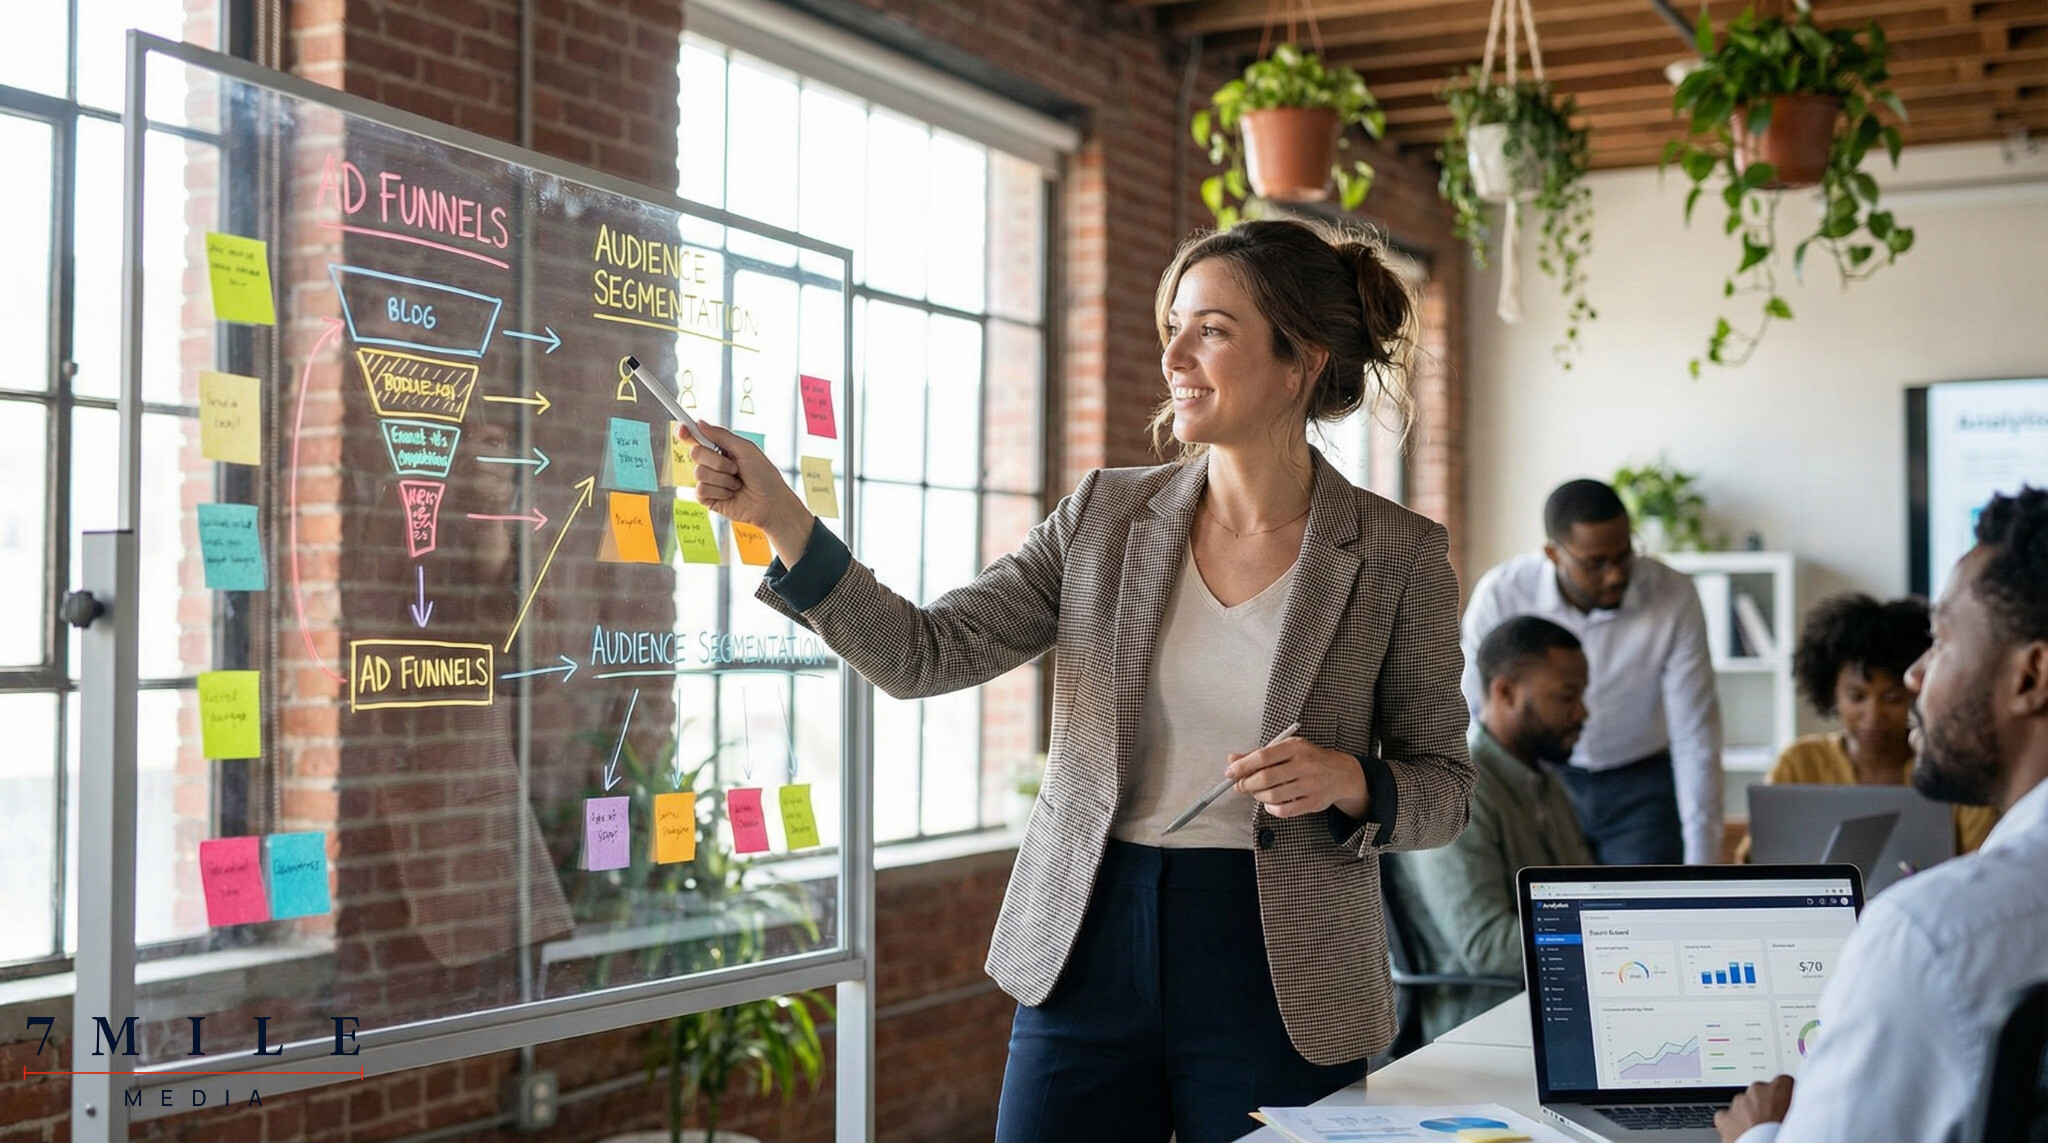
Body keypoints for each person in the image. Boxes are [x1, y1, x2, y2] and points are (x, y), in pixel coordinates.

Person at [687, 219, 1474, 1143]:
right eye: (1174, 325)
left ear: (1299, 360)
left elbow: (1446, 791)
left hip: (1283, 967)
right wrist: (782, 517)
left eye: (1212, 330)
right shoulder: (1105, 515)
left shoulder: (1396, 554)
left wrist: (1355, 780)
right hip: (1088, 935)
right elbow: (924, 653)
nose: (1174, 352)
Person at [1716, 487, 2048, 1143]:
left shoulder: (1930, 937)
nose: (1918, 676)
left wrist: (1759, 1133)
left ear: (2031, 676)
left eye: (1943, 640)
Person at [1460, 480, 1722, 864]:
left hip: (1642, 786)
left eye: (1624, 555)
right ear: (1553, 554)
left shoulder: (1673, 595)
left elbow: (1694, 733)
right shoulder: (1502, 593)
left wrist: (1704, 867)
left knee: (1644, 915)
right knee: (1548, 913)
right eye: (1595, 563)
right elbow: (1471, 711)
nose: (1615, 575)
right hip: (1539, 775)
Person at [1387, 615, 1592, 1042]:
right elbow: (1486, 946)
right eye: (1567, 696)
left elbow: (1583, 893)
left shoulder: (1545, 783)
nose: (1582, 712)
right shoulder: (1460, 790)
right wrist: (1604, 940)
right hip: (1483, 1021)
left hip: (1552, 1003)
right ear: (1506, 692)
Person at [1737, 593, 1997, 860]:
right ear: (1831, 692)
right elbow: (1755, 860)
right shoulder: (1800, 763)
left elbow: (1981, 863)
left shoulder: (1952, 767)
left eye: (1893, 698)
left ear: (1919, 690)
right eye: (1856, 697)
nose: (1873, 715)